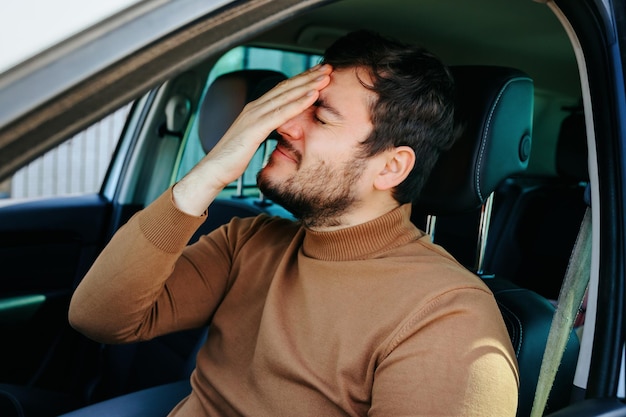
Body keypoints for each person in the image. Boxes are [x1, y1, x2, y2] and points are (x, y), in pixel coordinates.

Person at [69, 30, 519, 416]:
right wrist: (208, 173)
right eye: (292, 105)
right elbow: (100, 319)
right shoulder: (249, 240)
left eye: (320, 116)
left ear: (390, 168)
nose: (284, 125)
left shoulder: (448, 320)